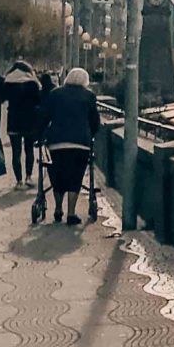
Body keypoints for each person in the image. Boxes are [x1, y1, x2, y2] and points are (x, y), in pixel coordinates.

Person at [38, 66, 100, 227]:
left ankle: (58, 209)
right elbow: (95, 121)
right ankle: (71, 213)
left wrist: (40, 135)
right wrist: (90, 134)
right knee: (75, 176)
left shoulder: (55, 93)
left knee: (58, 174)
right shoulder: (89, 96)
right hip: (80, 142)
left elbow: (45, 116)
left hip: (57, 141)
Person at [3, 58, 43, 187]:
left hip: (14, 119)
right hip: (29, 120)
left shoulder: (8, 82)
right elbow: (39, 101)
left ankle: (18, 180)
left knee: (16, 151)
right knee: (29, 149)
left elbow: (3, 98)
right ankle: (28, 177)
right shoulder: (33, 83)